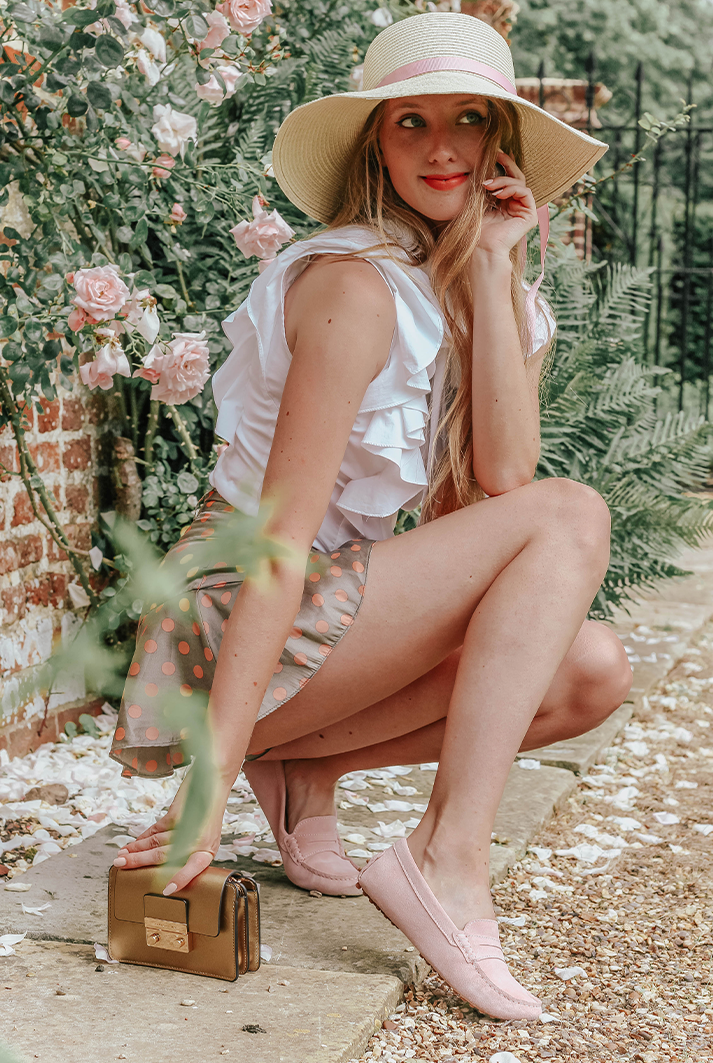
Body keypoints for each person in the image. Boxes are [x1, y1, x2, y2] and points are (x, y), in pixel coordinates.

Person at [110, 12, 633, 1020]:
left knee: (591, 671)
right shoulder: (352, 286)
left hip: (338, 623)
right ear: (373, 145)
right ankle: (444, 857)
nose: (441, 148)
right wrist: (202, 794)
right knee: (569, 515)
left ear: (499, 141)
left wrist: (493, 268)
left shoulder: (491, 291)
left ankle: (307, 766)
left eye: (467, 119)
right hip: (229, 618)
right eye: (410, 123)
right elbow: (276, 545)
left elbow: (501, 477)